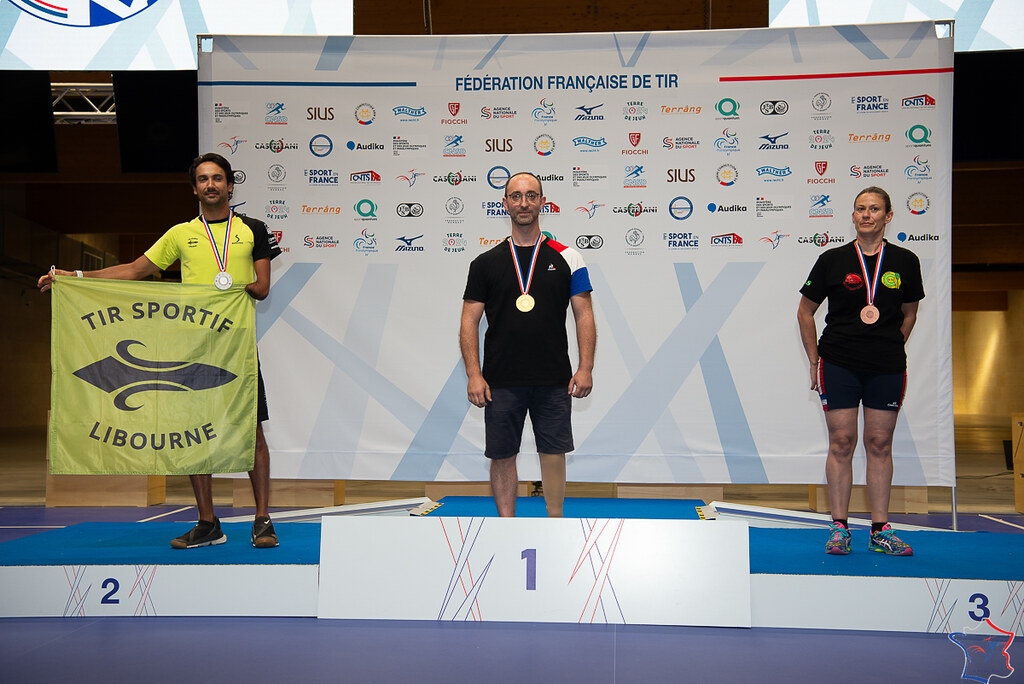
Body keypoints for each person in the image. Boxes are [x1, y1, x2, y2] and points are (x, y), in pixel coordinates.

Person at [38, 152, 281, 549]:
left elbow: (262, 287)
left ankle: (262, 519)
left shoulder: (252, 228)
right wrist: (74, 276)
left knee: (250, 430)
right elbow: (135, 270)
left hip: (234, 348)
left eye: (217, 178)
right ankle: (208, 523)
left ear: (231, 185)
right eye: (203, 179)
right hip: (189, 348)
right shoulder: (180, 234)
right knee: (192, 435)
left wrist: (232, 290)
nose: (211, 185)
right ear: (194, 189)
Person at [460, 171, 596, 517]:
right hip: (501, 380)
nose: (524, 203)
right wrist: (474, 375)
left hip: (553, 378)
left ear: (542, 202)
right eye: (516, 196)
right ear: (504, 203)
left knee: (553, 452)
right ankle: (507, 526)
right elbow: (468, 322)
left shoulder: (569, 257)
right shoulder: (485, 263)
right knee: (502, 454)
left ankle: (555, 521)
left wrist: (585, 367)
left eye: (531, 196)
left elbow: (584, 315)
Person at [797, 186, 924, 556]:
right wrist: (814, 358)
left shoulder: (905, 261)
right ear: (853, 217)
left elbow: (910, 312)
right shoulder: (832, 259)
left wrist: (889, 344)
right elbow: (805, 311)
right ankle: (839, 527)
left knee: (880, 444)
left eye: (874, 209)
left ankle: (880, 529)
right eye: (860, 209)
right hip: (838, 363)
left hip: (885, 366)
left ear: (888, 216)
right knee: (841, 443)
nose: (866, 215)